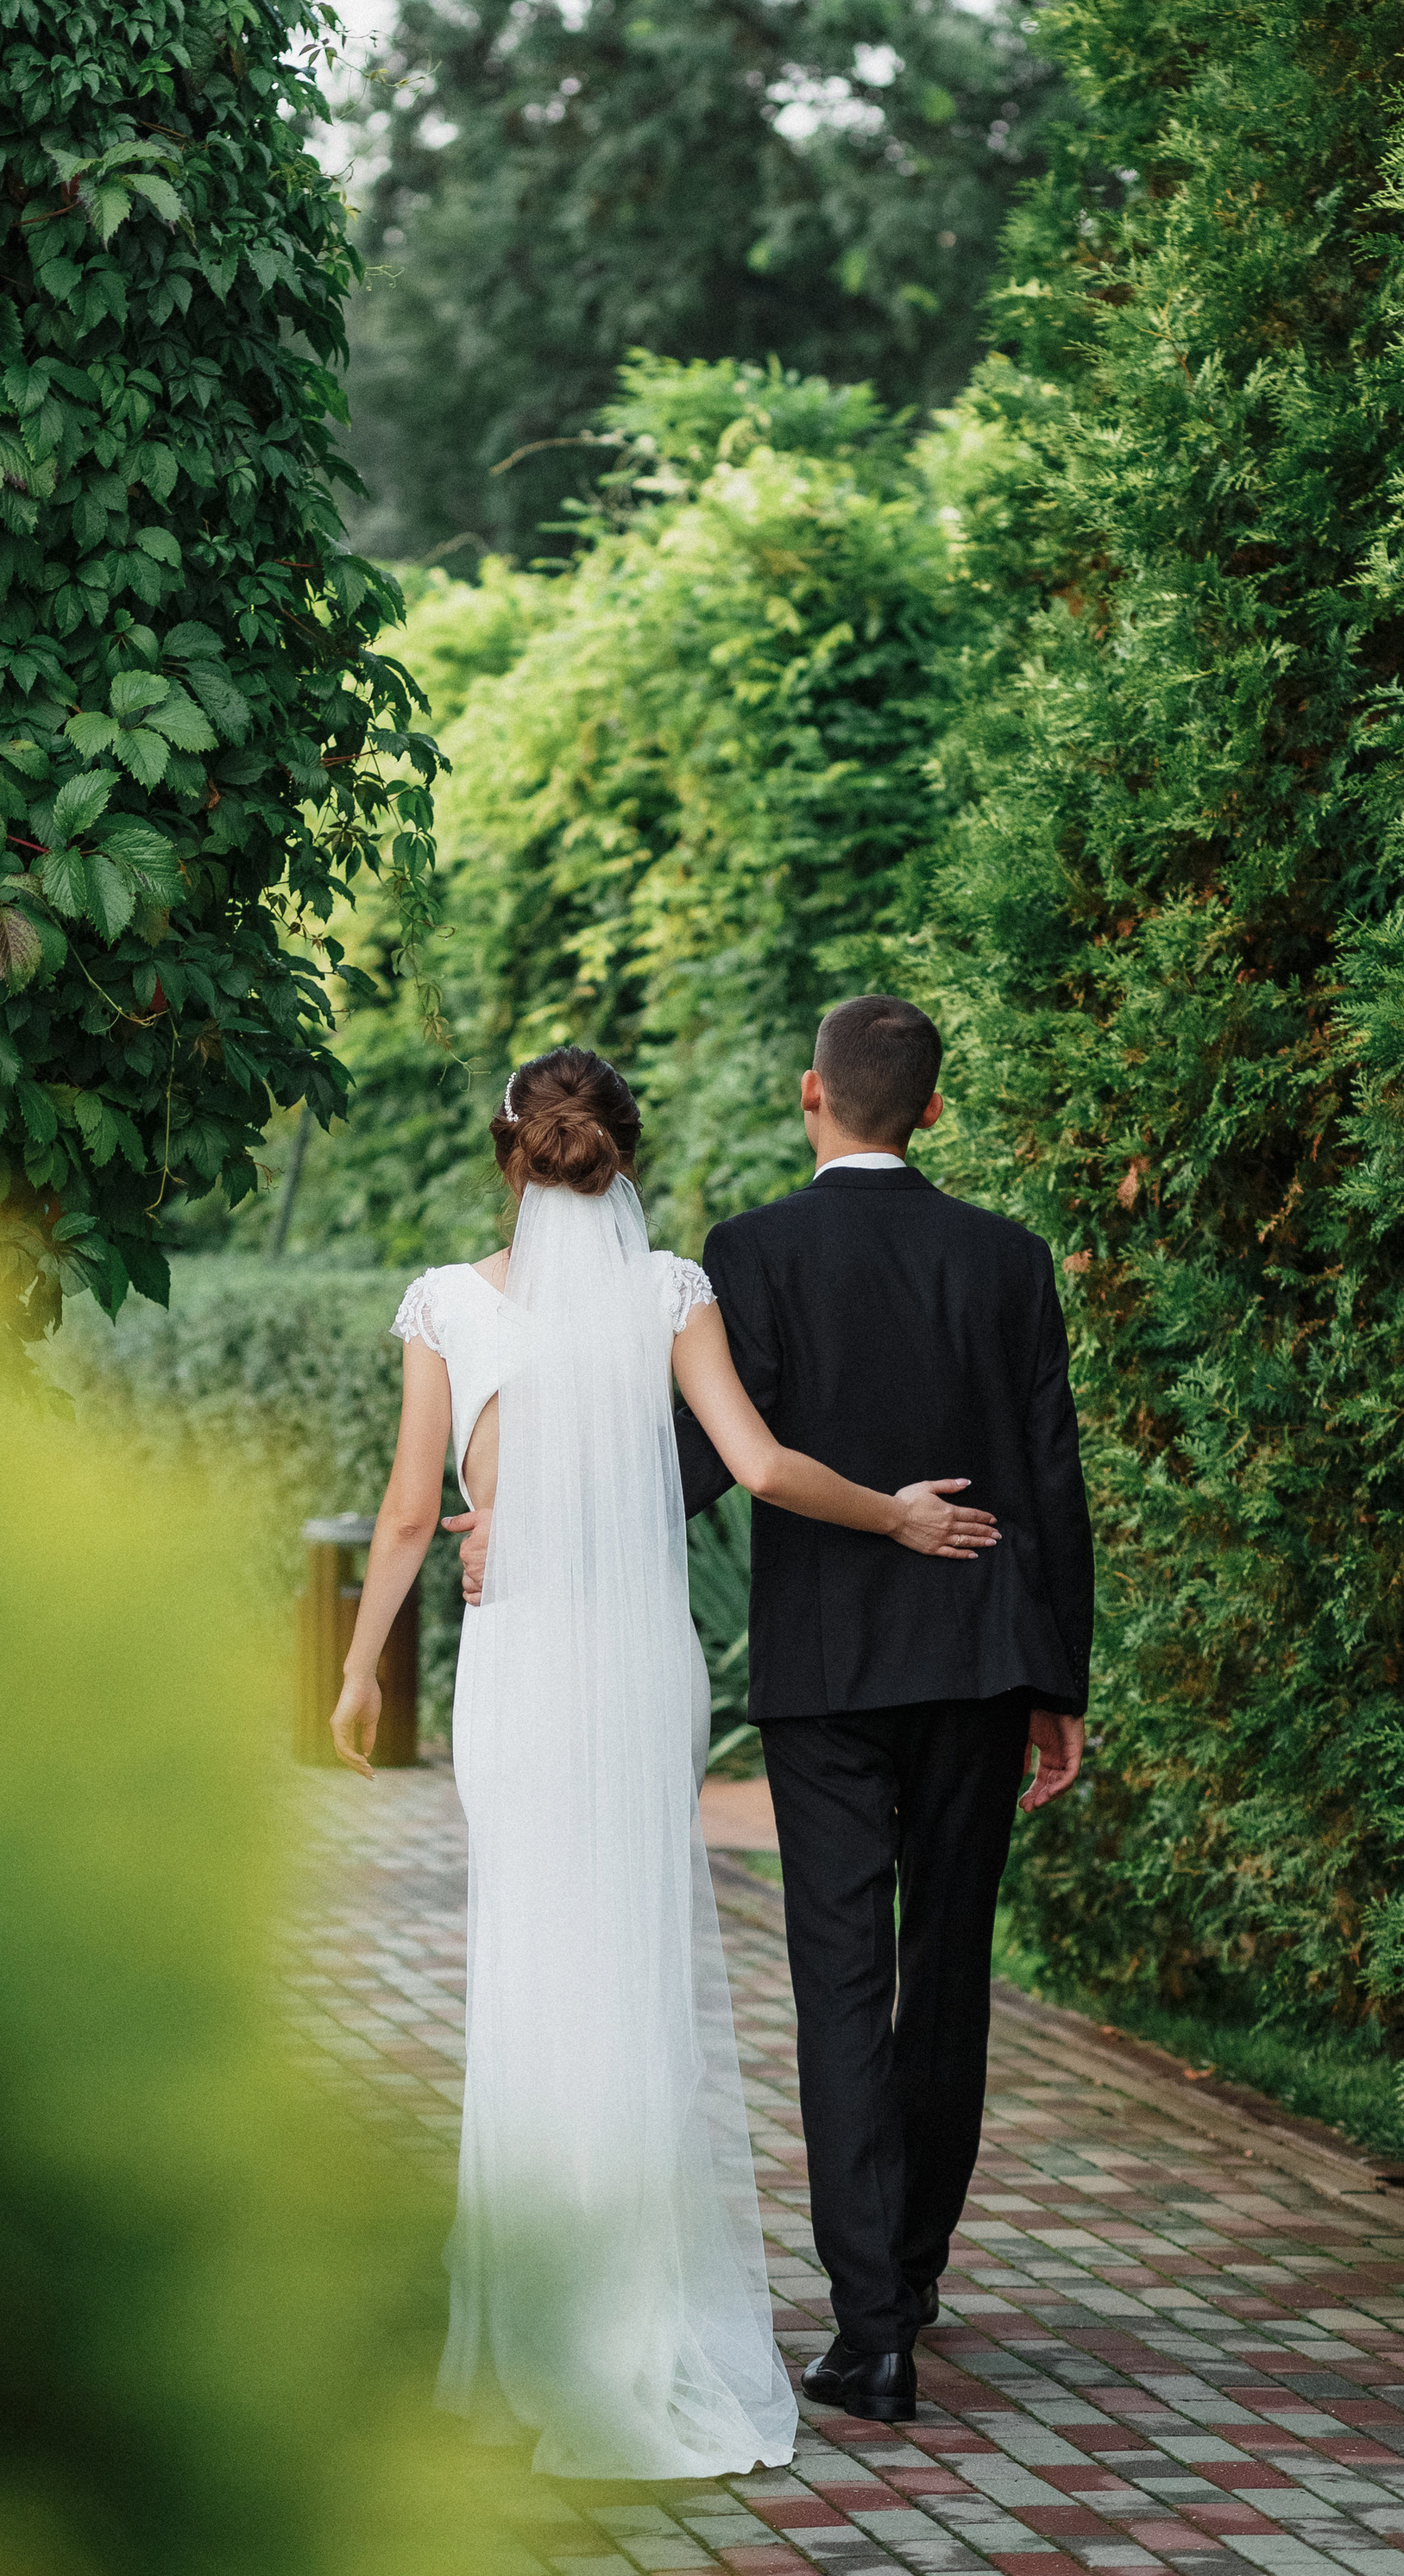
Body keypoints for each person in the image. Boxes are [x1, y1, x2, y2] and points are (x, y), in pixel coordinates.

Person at [330, 1045, 1003, 2479]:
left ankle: (529, 2301)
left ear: (506, 1154)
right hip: (640, 1675)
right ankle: (640, 2302)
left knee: (528, 1963)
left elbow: (403, 1515)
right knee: (631, 1961)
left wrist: (353, 1667)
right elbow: (757, 1469)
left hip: (517, 1669)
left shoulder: (451, 1305)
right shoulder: (670, 1291)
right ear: (620, 1153)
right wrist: (896, 1517)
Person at [456, 998, 1095, 2427]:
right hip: (986, 1665)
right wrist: (1061, 1684)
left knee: (841, 1986)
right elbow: (1052, 1482)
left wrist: (521, 1528)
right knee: (947, 1978)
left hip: (821, 1681)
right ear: (931, 1110)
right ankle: (912, 2272)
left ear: (814, 1096)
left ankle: (872, 2329)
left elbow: (684, 1461)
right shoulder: (1009, 1259)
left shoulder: (751, 1253)